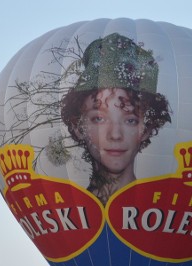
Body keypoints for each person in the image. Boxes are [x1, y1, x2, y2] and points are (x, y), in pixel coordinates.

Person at [60, 32, 171, 205]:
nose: (115, 135)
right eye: (99, 119)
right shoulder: (65, 205)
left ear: (146, 130)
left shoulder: (164, 204)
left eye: (130, 120)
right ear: (78, 127)